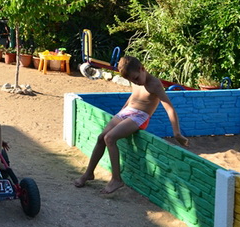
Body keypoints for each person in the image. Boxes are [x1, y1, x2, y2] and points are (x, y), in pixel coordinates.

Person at [74, 55, 189, 194]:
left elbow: (169, 108)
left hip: (140, 116)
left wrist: (177, 133)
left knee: (109, 138)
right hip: (127, 111)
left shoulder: (154, 84)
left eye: (136, 78)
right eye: (131, 80)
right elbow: (134, 96)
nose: (135, 82)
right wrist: (122, 111)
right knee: (101, 137)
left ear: (142, 69)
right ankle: (89, 173)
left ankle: (116, 179)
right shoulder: (135, 78)